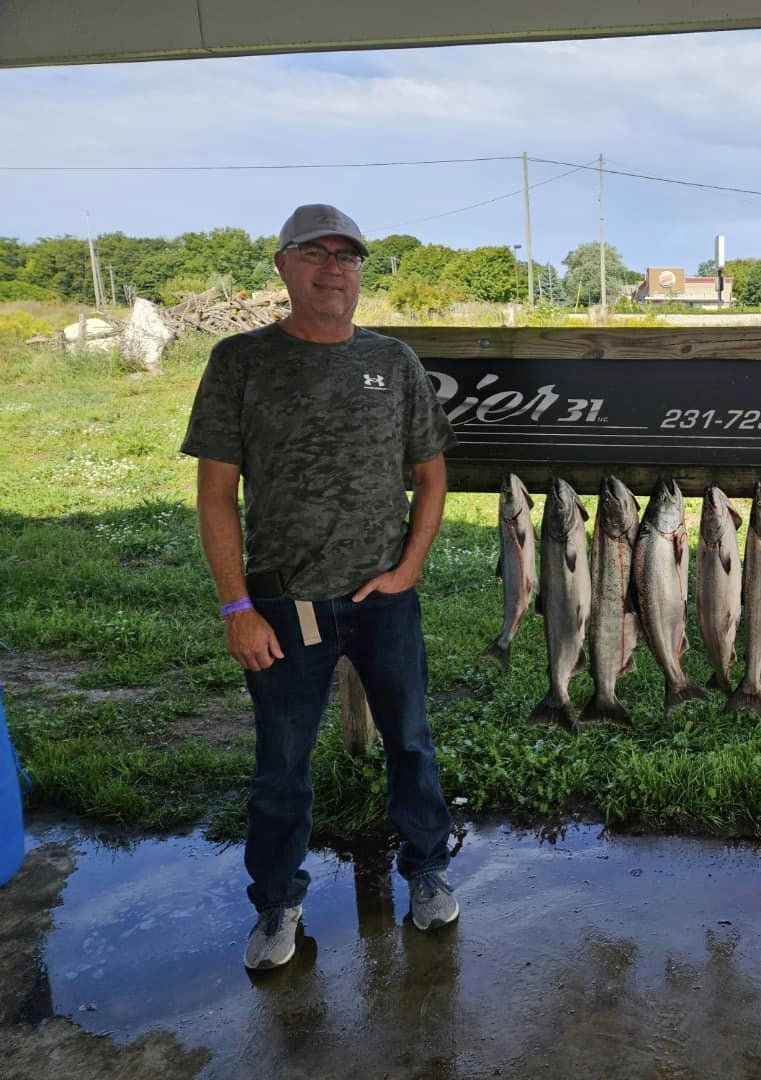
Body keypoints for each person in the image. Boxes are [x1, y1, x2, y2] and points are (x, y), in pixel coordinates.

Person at [181, 204, 460, 970]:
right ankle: (277, 905)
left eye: (348, 255)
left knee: (410, 741)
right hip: (283, 606)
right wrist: (237, 607)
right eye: (315, 252)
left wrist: (408, 569)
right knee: (281, 765)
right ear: (283, 265)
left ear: (361, 270)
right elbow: (215, 495)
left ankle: (428, 869)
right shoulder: (240, 362)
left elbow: (432, 474)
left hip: (384, 603)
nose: (333, 267)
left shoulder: (395, 361)